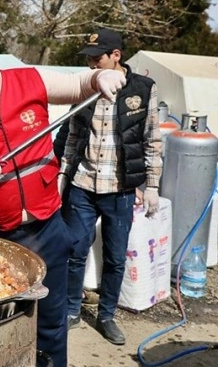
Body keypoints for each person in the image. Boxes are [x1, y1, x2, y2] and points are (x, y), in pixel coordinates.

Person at [0, 33, 126, 367]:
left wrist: (99, 76)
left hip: (46, 229)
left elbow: (79, 84)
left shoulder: (30, 80)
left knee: (51, 323)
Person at [60, 28, 162, 345]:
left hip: (120, 189)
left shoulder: (143, 90)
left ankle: (106, 316)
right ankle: (71, 310)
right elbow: (73, 136)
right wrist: (63, 175)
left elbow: (152, 141)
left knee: (116, 258)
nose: (92, 64)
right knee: (75, 250)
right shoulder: (86, 86)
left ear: (116, 55)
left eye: (97, 57)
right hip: (82, 184)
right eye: (88, 58)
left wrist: (153, 185)